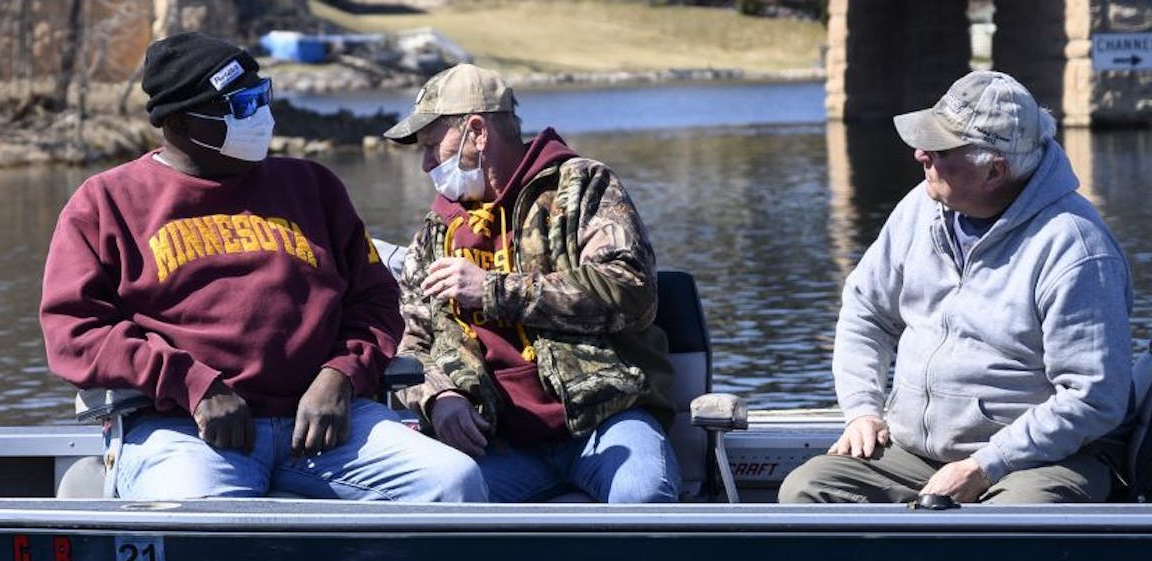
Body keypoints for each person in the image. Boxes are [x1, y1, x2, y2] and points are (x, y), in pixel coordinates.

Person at [38, 32, 485, 502]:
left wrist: (342, 374)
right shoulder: (105, 202)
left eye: (262, 96)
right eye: (241, 104)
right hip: (186, 428)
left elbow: (375, 303)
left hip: (330, 423)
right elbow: (75, 332)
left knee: (454, 483)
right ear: (178, 121)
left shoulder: (313, 186)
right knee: (198, 524)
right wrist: (192, 385)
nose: (261, 115)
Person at [779, 70, 1132, 506]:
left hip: (1036, 462)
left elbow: (1092, 397)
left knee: (1014, 523)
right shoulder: (920, 207)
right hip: (914, 452)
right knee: (805, 490)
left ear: (994, 171)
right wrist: (863, 410)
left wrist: (985, 465)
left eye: (941, 148)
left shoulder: (1075, 248)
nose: (920, 154)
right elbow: (865, 310)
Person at [384, 64, 679, 503]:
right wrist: (439, 397)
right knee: (436, 502)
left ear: (477, 132)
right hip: (500, 442)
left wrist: (494, 290)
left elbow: (632, 292)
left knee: (642, 497)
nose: (427, 163)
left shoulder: (581, 186)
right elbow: (412, 344)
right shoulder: (436, 231)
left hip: (604, 423)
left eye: (432, 146)